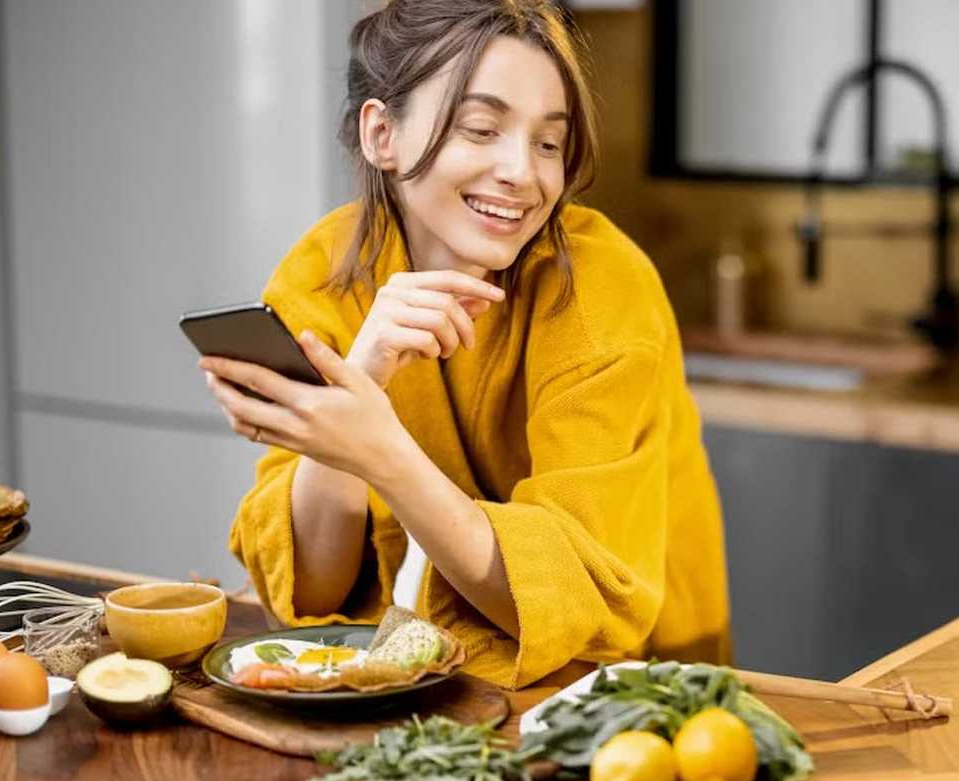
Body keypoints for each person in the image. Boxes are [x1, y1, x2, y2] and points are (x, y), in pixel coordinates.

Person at [198, 0, 728, 689]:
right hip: (439, 684)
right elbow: (313, 592)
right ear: (382, 133)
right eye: (481, 128)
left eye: (548, 143)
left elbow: (571, 602)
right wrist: (355, 389)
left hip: (630, 679)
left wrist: (381, 453)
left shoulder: (601, 289)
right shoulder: (325, 272)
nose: (522, 171)